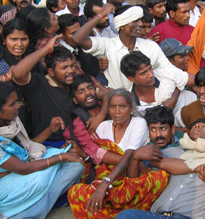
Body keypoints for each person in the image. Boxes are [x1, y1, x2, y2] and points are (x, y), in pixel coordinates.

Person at [0, 81, 84, 219]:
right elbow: (23, 168)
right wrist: (61, 157)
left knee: (76, 164)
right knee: (40, 178)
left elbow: (27, 148)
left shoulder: (11, 122)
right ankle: (25, 212)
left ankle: (36, 204)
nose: (18, 106)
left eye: (16, 101)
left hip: (22, 170)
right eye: (12, 104)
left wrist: (50, 130)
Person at [117, 115, 205, 219]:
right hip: (158, 215)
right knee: (126, 216)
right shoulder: (171, 152)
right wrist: (136, 158)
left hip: (194, 216)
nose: (198, 126)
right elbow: (135, 183)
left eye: (204, 126)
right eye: (195, 126)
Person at [67, 88, 169, 218]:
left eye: (122, 106)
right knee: (74, 192)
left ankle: (116, 209)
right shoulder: (103, 127)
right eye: (113, 106)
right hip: (110, 183)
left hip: (129, 180)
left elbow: (128, 156)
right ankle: (118, 210)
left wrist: (105, 183)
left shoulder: (138, 123)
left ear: (131, 108)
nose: (117, 111)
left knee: (161, 177)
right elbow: (97, 159)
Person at [72, 4, 194, 90]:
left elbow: (171, 72)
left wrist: (198, 80)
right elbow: (77, 38)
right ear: (122, 25)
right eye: (135, 21)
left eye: (140, 20)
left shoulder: (150, 46)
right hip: (119, 105)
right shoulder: (107, 45)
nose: (140, 24)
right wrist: (102, 14)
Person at [149, 0, 205, 75]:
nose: (188, 15)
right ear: (172, 13)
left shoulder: (193, 30)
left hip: (194, 78)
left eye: (189, 11)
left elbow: (199, 57)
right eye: (184, 12)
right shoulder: (158, 32)